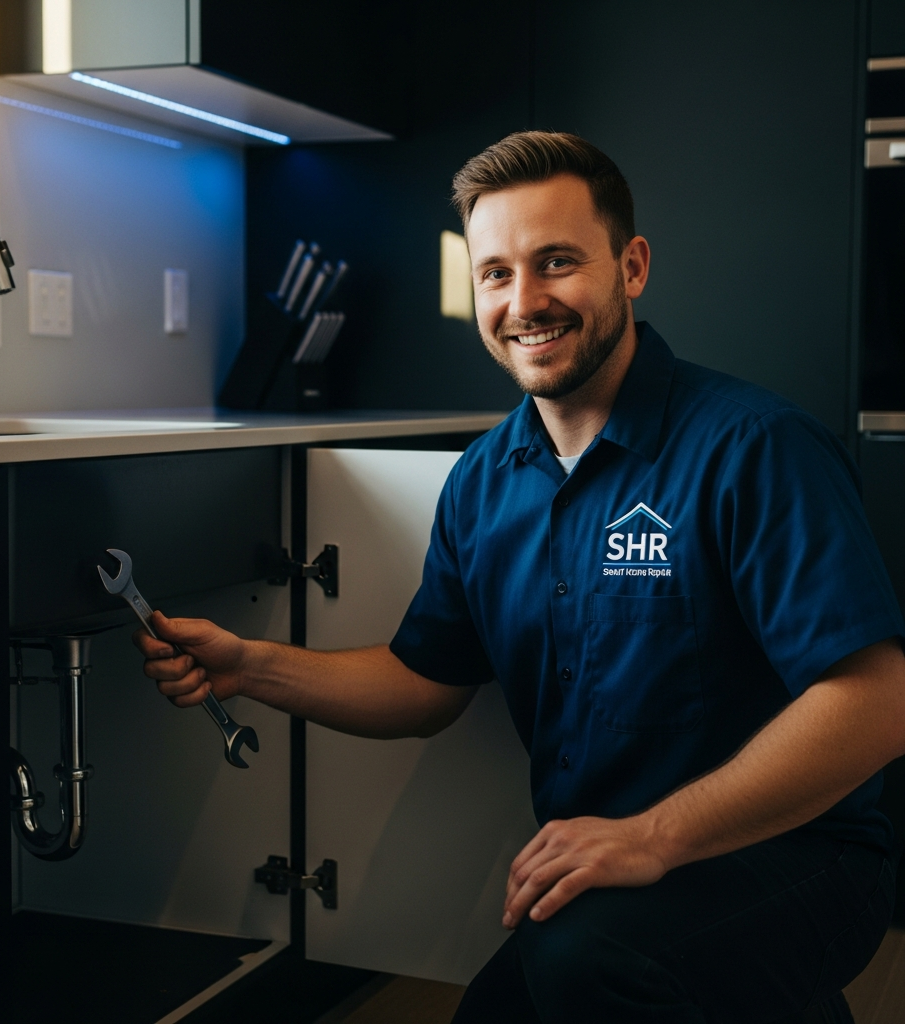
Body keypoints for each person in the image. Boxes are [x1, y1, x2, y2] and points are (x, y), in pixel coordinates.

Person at [134, 132, 905, 1023]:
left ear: (633, 266)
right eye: (496, 273)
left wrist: (654, 838)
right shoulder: (482, 482)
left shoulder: (752, 449)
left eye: (557, 263)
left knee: (591, 967)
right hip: (608, 878)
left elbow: (877, 700)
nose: (526, 301)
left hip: (798, 854)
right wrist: (251, 668)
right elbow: (426, 683)